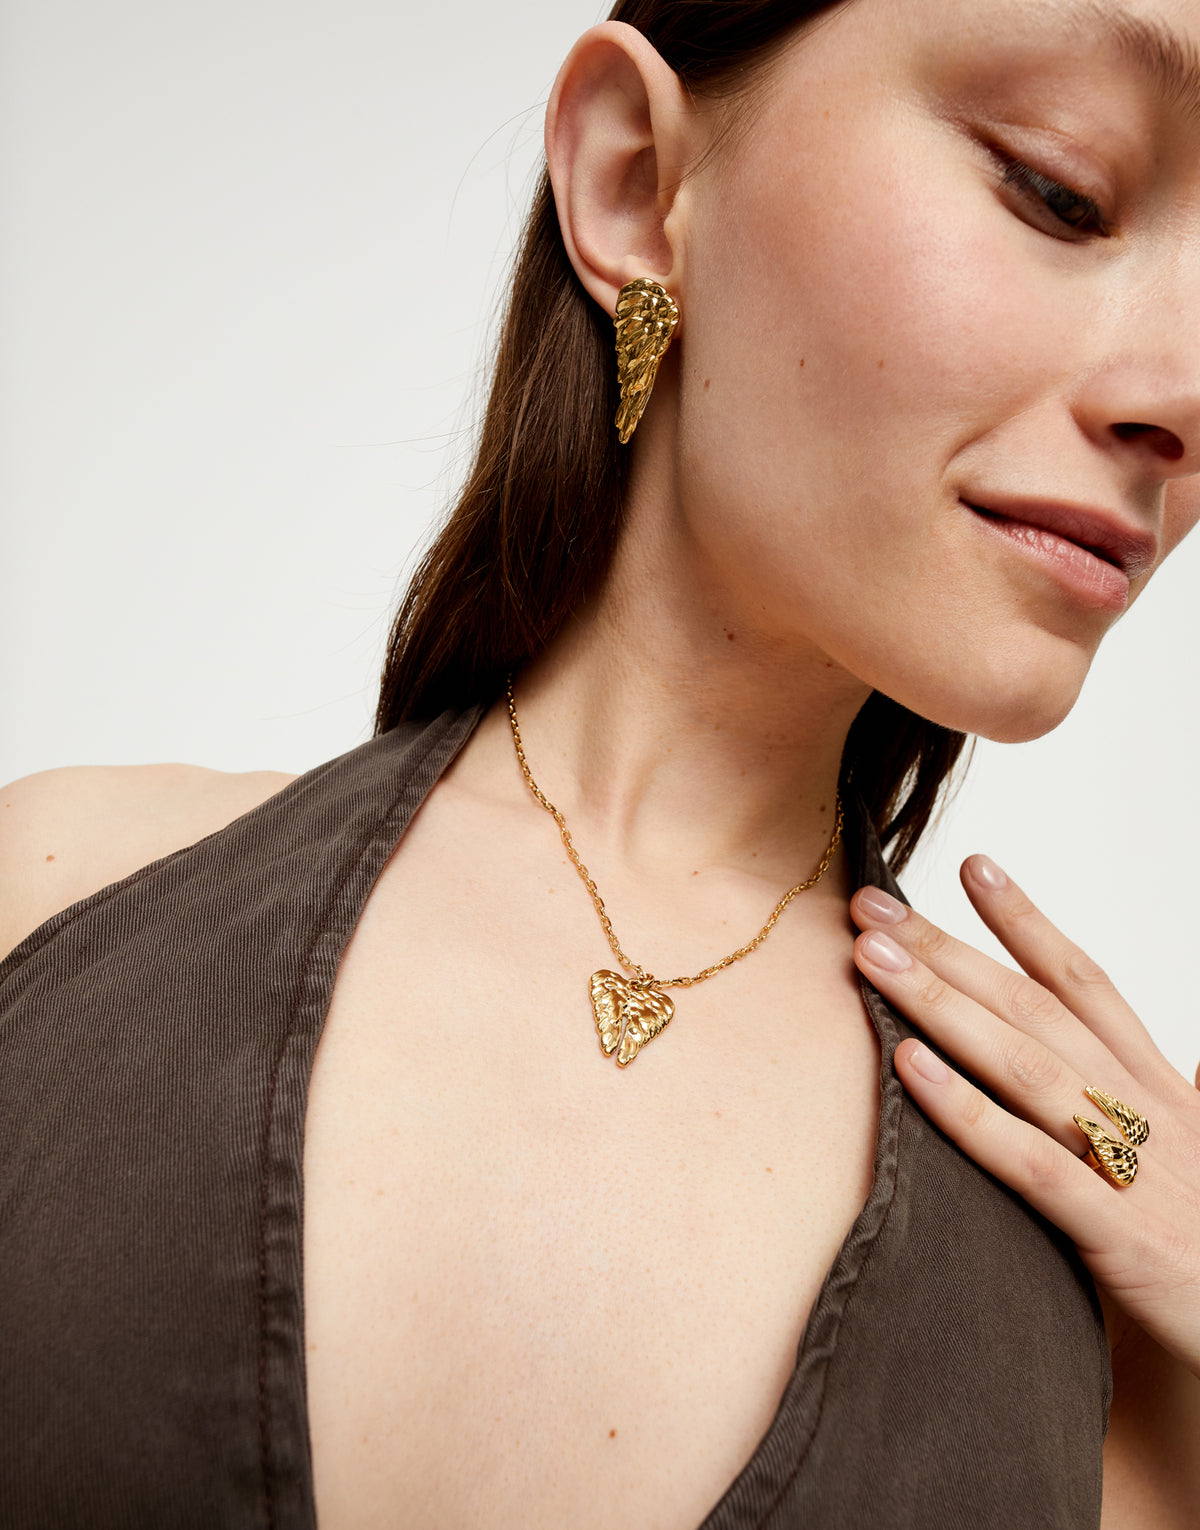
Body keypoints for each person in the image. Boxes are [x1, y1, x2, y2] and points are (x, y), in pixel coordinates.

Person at [2, 0, 1200, 1525]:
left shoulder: (1121, 1291)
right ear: (637, 181)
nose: (1184, 386)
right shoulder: (52, 905)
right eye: (1060, 188)